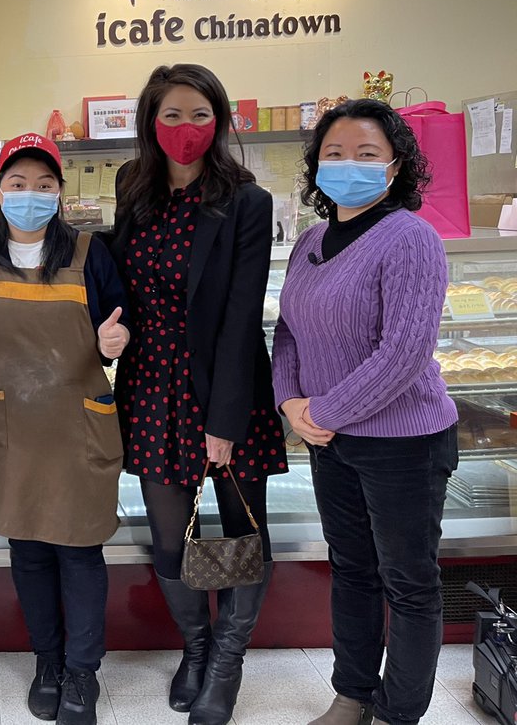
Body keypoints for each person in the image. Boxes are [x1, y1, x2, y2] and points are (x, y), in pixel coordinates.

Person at [107, 63, 285, 725]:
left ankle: (228, 664)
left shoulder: (246, 202)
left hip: (226, 389)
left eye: (200, 115)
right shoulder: (134, 188)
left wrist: (226, 420)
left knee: (241, 532)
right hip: (152, 388)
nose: (186, 129)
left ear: (221, 121)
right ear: (151, 122)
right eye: (172, 115)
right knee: (170, 542)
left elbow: (242, 317)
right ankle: (198, 646)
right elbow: (116, 281)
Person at [0, 133, 128, 725]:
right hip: (9, 427)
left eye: (44, 185)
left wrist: (115, 341)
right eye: (17, 184)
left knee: (80, 549)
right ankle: (48, 662)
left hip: (76, 426)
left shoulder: (91, 254)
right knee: (29, 550)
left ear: (60, 194)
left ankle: (82, 673)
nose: (30, 195)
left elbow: (119, 327)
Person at [272, 99, 457, 725]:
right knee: (352, 571)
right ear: (316, 165)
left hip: (403, 442)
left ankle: (399, 711)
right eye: (334, 152)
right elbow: (289, 331)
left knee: (408, 583)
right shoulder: (311, 241)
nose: (348, 163)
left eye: (367, 153)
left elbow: (404, 352)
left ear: (394, 166)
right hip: (331, 440)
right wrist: (289, 403)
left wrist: (322, 411)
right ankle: (351, 696)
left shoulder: (411, 239)